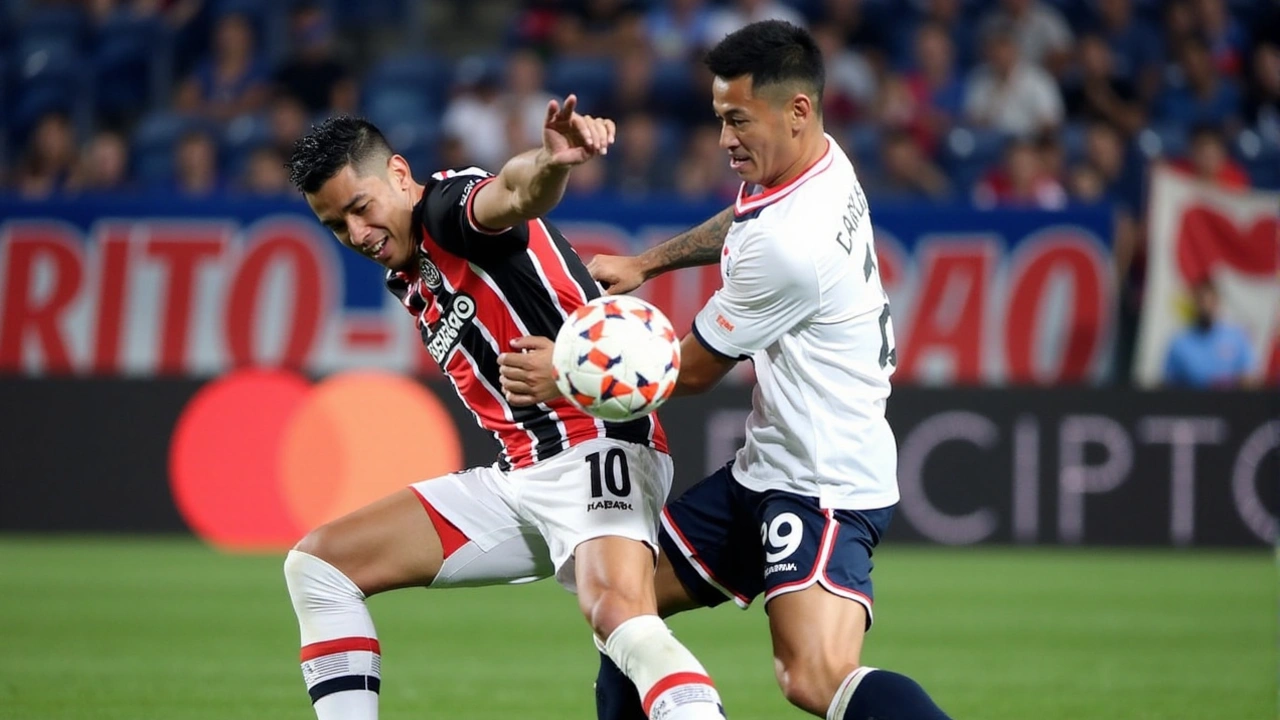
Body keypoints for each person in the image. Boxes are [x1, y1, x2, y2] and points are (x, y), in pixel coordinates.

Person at [497, 21, 953, 720]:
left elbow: (693, 370)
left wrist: (564, 375)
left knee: (814, 676)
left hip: (824, 482)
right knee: (626, 615)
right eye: (719, 119)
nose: (724, 139)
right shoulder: (816, 163)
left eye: (738, 120)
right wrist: (649, 263)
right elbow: (742, 224)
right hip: (767, 468)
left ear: (796, 111)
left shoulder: (792, 246)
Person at [282, 100, 728, 720]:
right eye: (336, 226)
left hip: (598, 445)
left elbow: (512, 194)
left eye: (361, 208)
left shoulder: (444, 212)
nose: (357, 234)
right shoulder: (411, 265)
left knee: (618, 613)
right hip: (521, 477)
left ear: (401, 176)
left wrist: (550, 162)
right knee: (319, 565)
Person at [1163, 280, 1257, 388]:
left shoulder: (1237, 337)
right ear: (1195, 303)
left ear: (1217, 302)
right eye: (1202, 301)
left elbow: (1249, 377)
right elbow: (1169, 383)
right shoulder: (1179, 342)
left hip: (1229, 402)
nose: (1206, 307)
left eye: (1210, 301)